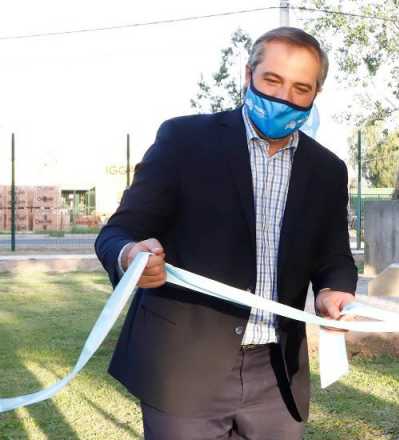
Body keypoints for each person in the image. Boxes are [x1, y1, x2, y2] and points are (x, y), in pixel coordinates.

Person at [94, 27, 357, 440]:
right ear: (248, 73)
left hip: (278, 376)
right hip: (183, 370)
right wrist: (130, 257)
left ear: (315, 94)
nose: (283, 98)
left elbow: (334, 257)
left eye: (300, 88)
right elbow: (118, 232)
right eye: (272, 80)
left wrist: (335, 289)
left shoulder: (327, 170)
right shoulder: (184, 140)